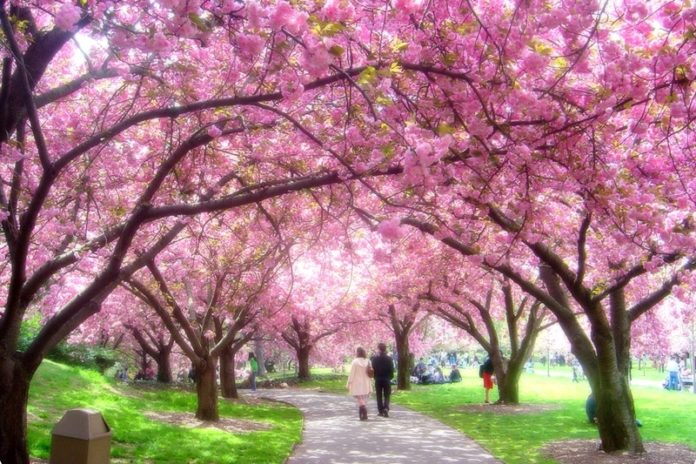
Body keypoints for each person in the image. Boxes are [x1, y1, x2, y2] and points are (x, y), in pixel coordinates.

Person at [347, 346, 372, 420]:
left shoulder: (355, 361)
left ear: (357, 353)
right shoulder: (368, 361)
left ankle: (363, 411)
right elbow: (370, 372)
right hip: (366, 381)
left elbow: (352, 373)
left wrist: (349, 382)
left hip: (357, 382)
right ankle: (362, 414)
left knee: (359, 397)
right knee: (363, 398)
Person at [371, 343, 394, 417]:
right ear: (385, 349)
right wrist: (390, 377)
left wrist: (375, 377)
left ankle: (380, 410)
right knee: (387, 395)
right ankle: (386, 408)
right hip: (387, 378)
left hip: (378, 379)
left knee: (379, 395)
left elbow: (373, 369)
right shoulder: (389, 359)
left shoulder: (374, 359)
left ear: (378, 349)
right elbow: (392, 370)